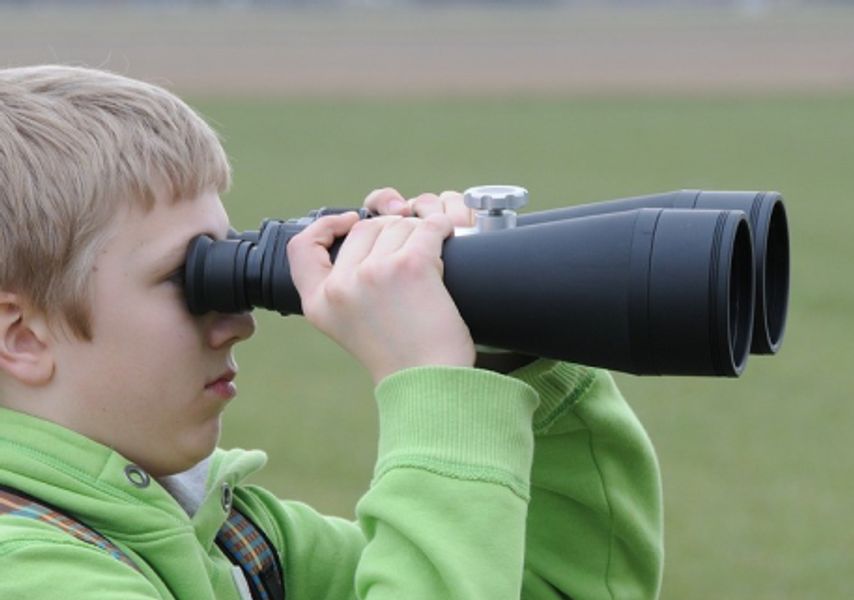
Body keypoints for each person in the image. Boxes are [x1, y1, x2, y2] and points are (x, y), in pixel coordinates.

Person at [0, 65, 663, 599]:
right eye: (188, 278)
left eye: (228, 265)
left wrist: (511, 353)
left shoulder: (236, 542)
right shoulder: (29, 572)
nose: (236, 323)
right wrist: (437, 398)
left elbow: (543, 587)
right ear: (23, 336)